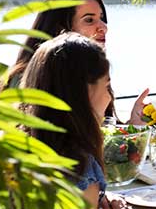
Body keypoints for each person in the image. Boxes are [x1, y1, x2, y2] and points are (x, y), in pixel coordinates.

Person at [0, 0, 148, 125]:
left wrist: (132, 125)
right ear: (60, 30)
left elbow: (100, 138)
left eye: (101, 18)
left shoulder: (89, 72)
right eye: (89, 20)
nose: (103, 27)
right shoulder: (27, 78)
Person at [21, 32, 128, 209]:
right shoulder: (80, 171)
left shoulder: (17, 154)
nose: (109, 97)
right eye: (107, 86)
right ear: (82, 95)